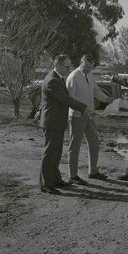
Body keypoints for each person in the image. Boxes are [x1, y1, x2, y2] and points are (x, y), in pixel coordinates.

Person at [39, 54, 87, 194]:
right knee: (50, 153)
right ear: (58, 65)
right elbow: (65, 99)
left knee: (56, 153)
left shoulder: (58, 78)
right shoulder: (52, 81)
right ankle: (46, 184)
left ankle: (55, 179)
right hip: (52, 122)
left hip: (57, 122)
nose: (68, 69)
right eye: (66, 67)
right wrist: (83, 108)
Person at [66, 54, 112, 185]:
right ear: (81, 63)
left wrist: (106, 99)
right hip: (76, 116)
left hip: (90, 115)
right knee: (75, 146)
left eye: (90, 68)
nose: (87, 69)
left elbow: (96, 90)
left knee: (94, 143)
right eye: (86, 66)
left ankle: (93, 172)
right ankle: (73, 176)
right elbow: (70, 99)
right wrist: (81, 110)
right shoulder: (73, 77)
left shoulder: (90, 75)